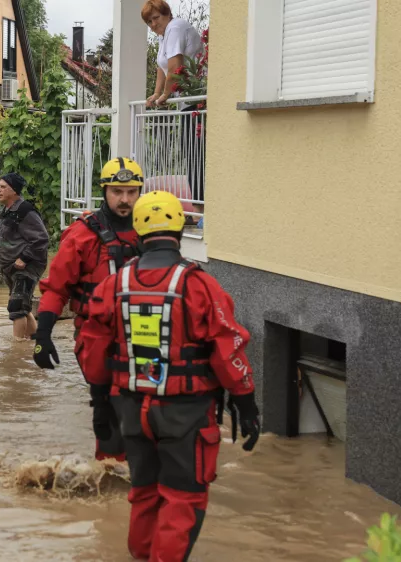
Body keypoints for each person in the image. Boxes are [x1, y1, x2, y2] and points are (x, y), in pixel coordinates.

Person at [79, 190, 261, 562]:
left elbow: (92, 351)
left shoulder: (113, 285)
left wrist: (100, 405)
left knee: (144, 493)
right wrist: (246, 404)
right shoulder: (199, 285)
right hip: (186, 411)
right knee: (184, 497)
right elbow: (228, 349)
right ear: (180, 229)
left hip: (130, 409)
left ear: (139, 232)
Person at [32, 157, 145, 462]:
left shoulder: (151, 232)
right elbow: (56, 288)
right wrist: (43, 334)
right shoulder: (82, 235)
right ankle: (109, 474)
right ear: (104, 191)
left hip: (144, 333)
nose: (124, 200)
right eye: (117, 192)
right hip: (97, 336)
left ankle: (136, 476)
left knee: (144, 410)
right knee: (108, 406)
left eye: (132, 192)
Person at [142, 0, 207, 203]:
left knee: (195, 154)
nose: (153, 24)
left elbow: (175, 65)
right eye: (149, 21)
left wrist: (166, 96)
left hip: (198, 97)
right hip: (187, 100)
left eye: (156, 18)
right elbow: (162, 68)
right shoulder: (164, 36)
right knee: (190, 152)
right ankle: (198, 209)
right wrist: (156, 93)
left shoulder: (175, 27)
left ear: (167, 14)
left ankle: (200, 211)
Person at [0, 172, 49, 340]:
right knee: (22, 307)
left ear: (14, 191)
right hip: (11, 267)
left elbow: (41, 239)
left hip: (27, 266)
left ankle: (16, 352)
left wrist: (24, 258)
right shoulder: (6, 211)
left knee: (16, 307)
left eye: (3, 187)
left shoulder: (26, 210)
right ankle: (36, 341)